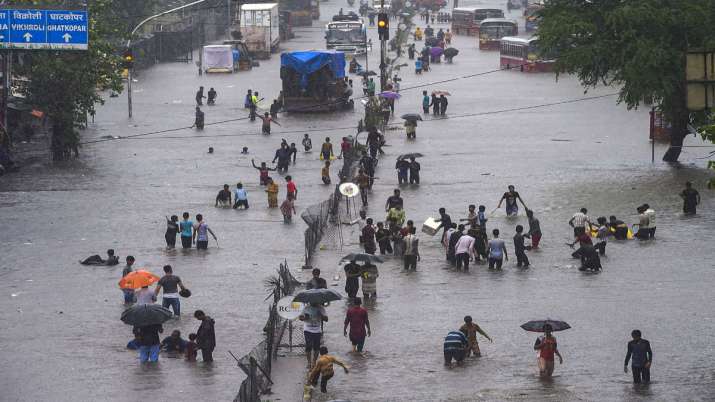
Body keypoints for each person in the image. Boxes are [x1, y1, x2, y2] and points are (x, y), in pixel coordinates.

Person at [300, 302, 328, 368]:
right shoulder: (306, 308)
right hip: (307, 329)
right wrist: (304, 318)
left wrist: (321, 315)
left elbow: (326, 319)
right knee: (308, 346)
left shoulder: (321, 308)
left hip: (317, 330)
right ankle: (309, 362)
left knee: (316, 347)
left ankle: (314, 361)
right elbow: (300, 318)